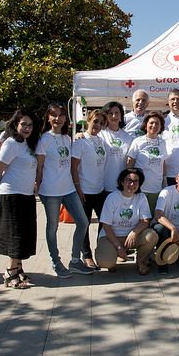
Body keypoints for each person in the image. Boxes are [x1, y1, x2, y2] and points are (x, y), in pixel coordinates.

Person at [35, 103, 94, 278]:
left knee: (83, 223)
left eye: (61, 115)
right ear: (48, 118)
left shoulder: (67, 139)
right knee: (52, 227)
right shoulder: (44, 139)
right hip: (50, 191)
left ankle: (75, 260)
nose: (58, 118)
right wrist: (37, 188)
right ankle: (56, 262)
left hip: (68, 189)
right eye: (54, 115)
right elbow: (39, 167)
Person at [0, 109, 40, 289]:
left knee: (25, 233)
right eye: (23, 124)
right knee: (15, 234)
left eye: (30, 125)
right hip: (11, 194)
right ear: (15, 125)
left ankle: (18, 268)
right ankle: (10, 272)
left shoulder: (26, 144)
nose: (27, 128)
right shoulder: (11, 143)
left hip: (26, 195)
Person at [95, 168, 159, 275]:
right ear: (122, 182)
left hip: (132, 237)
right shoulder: (112, 198)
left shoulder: (141, 197)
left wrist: (134, 233)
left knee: (152, 236)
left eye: (135, 181)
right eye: (128, 180)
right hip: (112, 236)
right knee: (105, 262)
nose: (132, 184)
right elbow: (106, 226)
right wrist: (119, 247)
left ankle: (141, 260)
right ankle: (113, 255)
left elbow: (145, 221)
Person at [71, 109, 108, 270]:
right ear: (88, 121)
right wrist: (78, 189)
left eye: (101, 123)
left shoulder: (101, 141)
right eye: (95, 121)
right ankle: (86, 255)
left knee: (105, 222)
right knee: (84, 225)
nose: (98, 125)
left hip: (100, 190)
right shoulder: (80, 141)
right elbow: (73, 167)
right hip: (84, 191)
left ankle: (102, 250)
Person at [127, 111, 168, 215]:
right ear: (145, 125)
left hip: (156, 189)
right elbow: (130, 162)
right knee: (139, 217)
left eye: (157, 123)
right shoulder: (138, 141)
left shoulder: (162, 143)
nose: (154, 126)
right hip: (140, 188)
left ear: (161, 127)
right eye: (151, 123)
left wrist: (164, 181)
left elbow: (163, 163)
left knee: (153, 217)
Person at [99, 101, 133, 196]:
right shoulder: (100, 134)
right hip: (103, 186)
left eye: (117, 113)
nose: (114, 116)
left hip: (121, 185)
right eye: (110, 113)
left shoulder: (127, 137)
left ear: (121, 115)